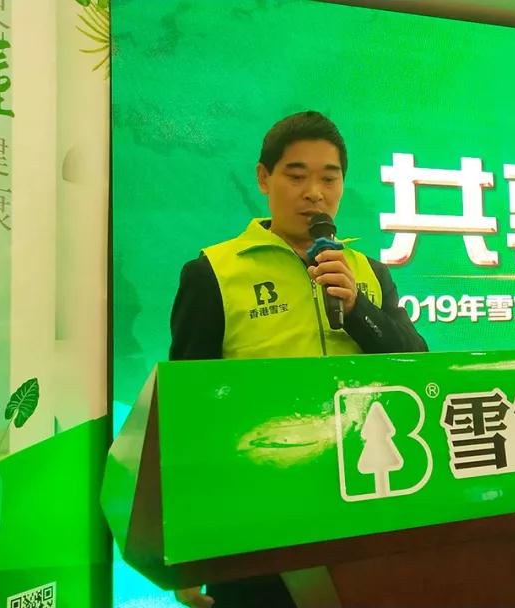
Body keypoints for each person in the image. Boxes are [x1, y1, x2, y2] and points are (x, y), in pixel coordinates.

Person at [170, 111, 427, 608]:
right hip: (260, 517)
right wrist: (187, 542)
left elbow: (417, 365)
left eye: (329, 178)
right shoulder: (212, 274)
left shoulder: (367, 273)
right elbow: (188, 413)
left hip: (366, 505)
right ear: (264, 178)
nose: (314, 193)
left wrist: (357, 308)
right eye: (296, 175)